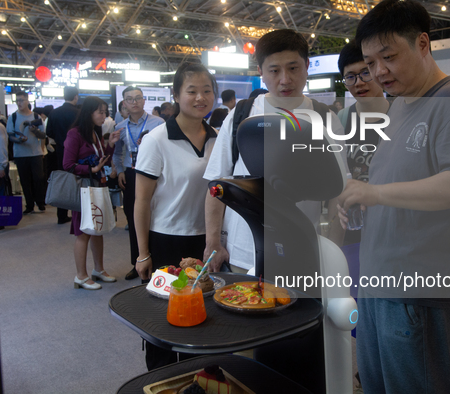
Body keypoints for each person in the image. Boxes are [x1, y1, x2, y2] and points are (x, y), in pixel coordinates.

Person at [337, 1, 450, 393]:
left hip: (416, 284)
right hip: (378, 275)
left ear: (422, 44)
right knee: (376, 382)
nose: (378, 72)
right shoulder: (402, 104)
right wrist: (362, 199)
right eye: (371, 62)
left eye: (388, 57)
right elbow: (399, 178)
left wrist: (376, 193)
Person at [202, 29, 345, 273]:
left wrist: (331, 249)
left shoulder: (325, 119)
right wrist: (213, 243)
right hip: (243, 251)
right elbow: (217, 184)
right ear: (260, 71)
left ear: (307, 66)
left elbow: (338, 192)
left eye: (293, 68)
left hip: (303, 250)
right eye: (274, 70)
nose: (285, 79)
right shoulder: (241, 115)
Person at [134, 62, 218, 370]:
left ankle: (199, 383)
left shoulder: (218, 138)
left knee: (204, 322)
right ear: (176, 94)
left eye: (207, 91)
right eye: (192, 91)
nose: (200, 98)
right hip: (167, 240)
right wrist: (143, 254)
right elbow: (141, 201)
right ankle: (162, 383)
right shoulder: (156, 140)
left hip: (205, 242)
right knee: (164, 325)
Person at [63, 97, 120, 290]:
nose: (104, 116)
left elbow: (101, 158)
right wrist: (92, 170)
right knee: (83, 231)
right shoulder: (75, 133)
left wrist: (110, 145)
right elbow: (68, 165)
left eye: (105, 112)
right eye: (101, 112)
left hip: (96, 186)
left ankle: (99, 270)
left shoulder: (95, 133)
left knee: (98, 229)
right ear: (89, 112)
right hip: (84, 188)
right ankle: (81, 275)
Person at [336, 38, 389, 246]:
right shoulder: (341, 119)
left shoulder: (402, 116)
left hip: (392, 224)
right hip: (352, 224)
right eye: (350, 77)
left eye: (365, 72)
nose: (358, 82)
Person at [113, 87, 165, 280]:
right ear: (124, 104)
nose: (134, 102)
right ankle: (137, 262)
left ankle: (157, 260)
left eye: (137, 98)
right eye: (129, 99)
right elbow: (117, 153)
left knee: (155, 215)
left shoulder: (158, 123)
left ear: (144, 101)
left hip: (153, 173)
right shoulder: (119, 126)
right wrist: (119, 171)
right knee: (133, 218)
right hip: (131, 174)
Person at [7, 91, 46, 214]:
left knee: (39, 178)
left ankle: (40, 202)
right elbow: (10, 135)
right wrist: (19, 140)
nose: (19, 103)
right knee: (25, 180)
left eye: (22, 100)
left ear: (28, 100)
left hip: (35, 153)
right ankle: (29, 204)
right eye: (17, 100)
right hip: (20, 154)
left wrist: (34, 131)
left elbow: (43, 134)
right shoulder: (13, 117)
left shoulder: (36, 117)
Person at [46, 86, 79, 224]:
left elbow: (49, 132)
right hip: (77, 151)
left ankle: (61, 214)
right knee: (78, 180)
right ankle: (78, 211)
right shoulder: (78, 113)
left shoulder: (54, 113)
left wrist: (61, 140)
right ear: (76, 97)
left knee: (62, 179)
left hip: (61, 150)